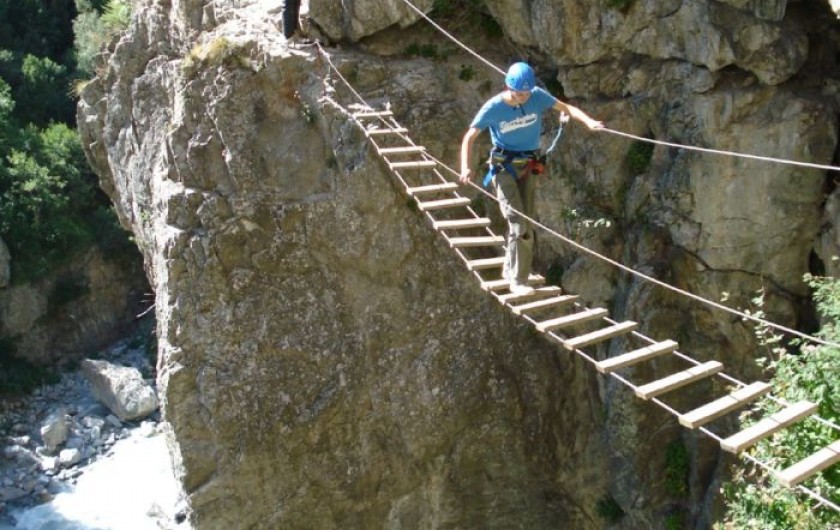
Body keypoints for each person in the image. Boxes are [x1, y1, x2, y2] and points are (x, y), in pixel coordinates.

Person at [459, 62, 603, 296]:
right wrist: (465, 167)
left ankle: (510, 269)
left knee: (526, 222)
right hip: (503, 168)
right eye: (520, 93)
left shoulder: (536, 96)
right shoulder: (494, 107)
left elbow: (566, 108)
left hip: (528, 166)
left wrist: (588, 122)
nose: (524, 97)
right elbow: (470, 137)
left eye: (527, 93)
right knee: (519, 223)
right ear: (509, 87)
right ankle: (518, 280)